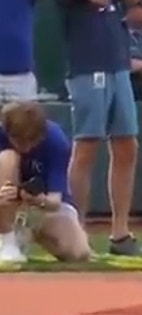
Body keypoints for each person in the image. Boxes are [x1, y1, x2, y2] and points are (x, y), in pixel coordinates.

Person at [46, 0, 142, 257]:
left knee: (127, 145)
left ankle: (120, 235)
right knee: (87, 146)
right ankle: (78, 230)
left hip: (115, 57)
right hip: (87, 60)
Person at [0, 102, 92, 264]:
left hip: (41, 207)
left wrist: (35, 198)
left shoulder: (56, 141)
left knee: (79, 253)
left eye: (32, 141)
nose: (26, 147)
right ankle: (8, 241)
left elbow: (54, 201)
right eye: (20, 141)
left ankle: (28, 234)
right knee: (6, 158)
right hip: (8, 205)